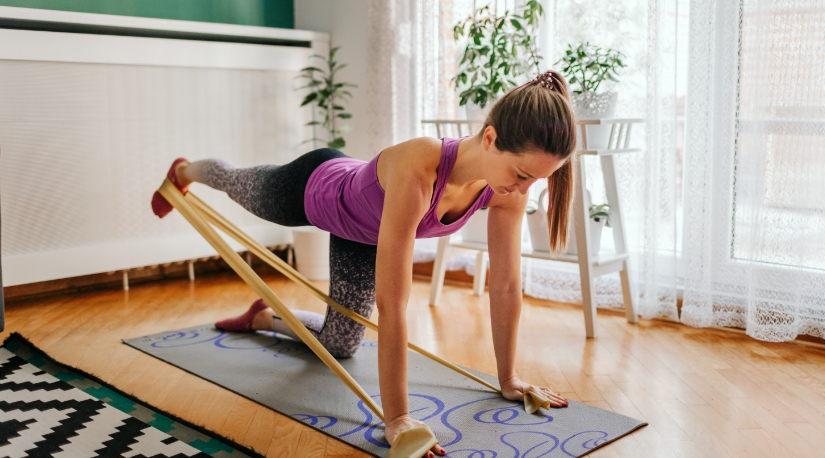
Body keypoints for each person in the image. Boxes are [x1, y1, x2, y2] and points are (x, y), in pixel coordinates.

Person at [151, 70, 577, 457]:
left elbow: (504, 286)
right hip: (312, 188)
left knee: (339, 346)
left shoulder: (508, 191)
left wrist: (509, 379)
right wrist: (397, 418)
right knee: (235, 182)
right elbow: (393, 303)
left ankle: (264, 316)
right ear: (489, 138)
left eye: (539, 179)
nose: (526, 188)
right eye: (523, 175)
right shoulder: (420, 164)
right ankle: (186, 172)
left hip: (362, 235)